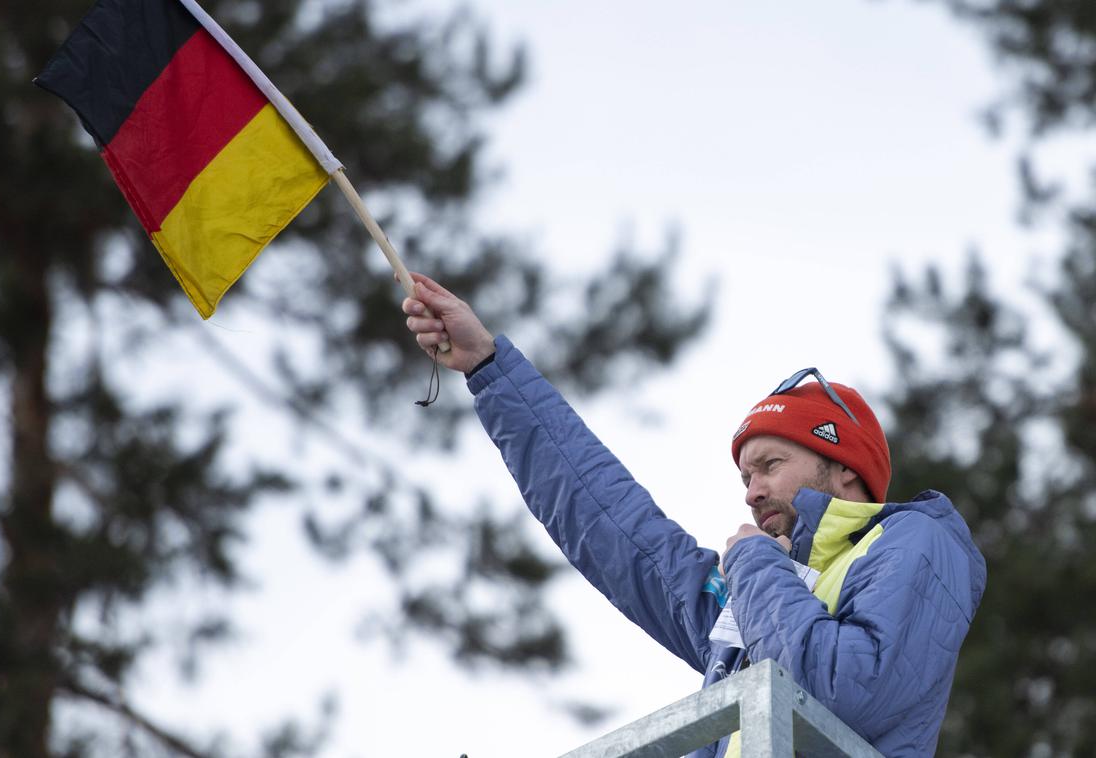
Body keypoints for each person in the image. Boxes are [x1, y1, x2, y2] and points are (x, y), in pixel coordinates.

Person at [402, 273, 986, 757]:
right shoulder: (749, 603)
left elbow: (843, 688)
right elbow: (614, 525)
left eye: (770, 464)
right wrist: (491, 369)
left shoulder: (917, 541)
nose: (752, 493)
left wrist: (755, 564)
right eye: (745, 477)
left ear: (845, 469)